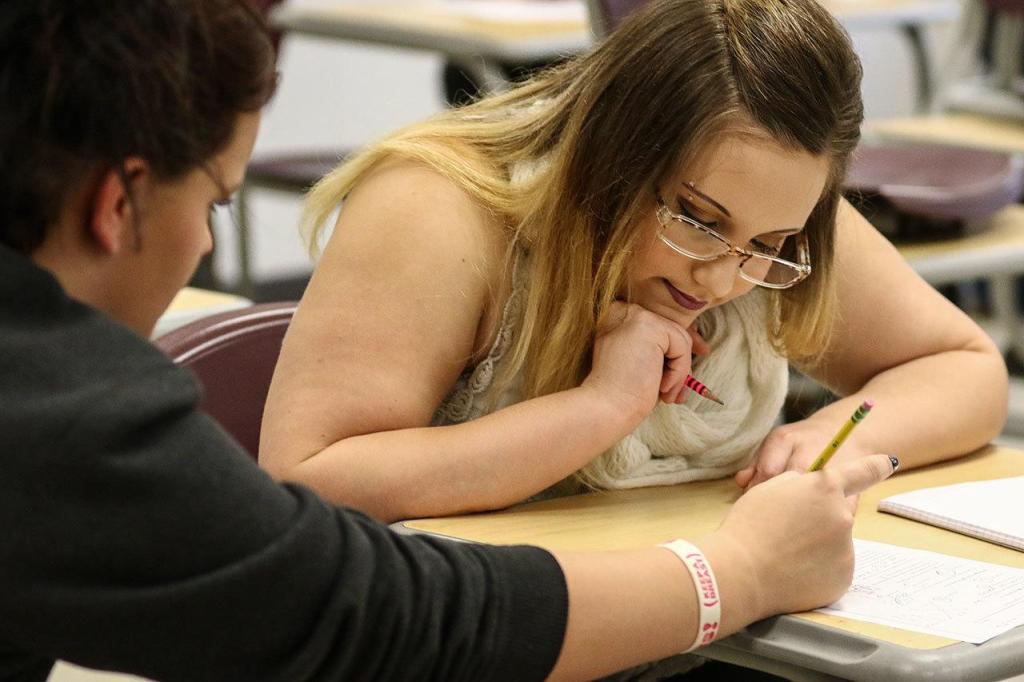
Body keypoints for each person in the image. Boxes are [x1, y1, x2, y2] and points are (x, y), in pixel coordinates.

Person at [0, 1, 900, 680]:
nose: (207, 246)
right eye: (216, 203)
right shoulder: (63, 422)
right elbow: (380, 609)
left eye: (767, 249)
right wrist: (734, 572)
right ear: (117, 204)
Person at [259, 0, 1007, 524]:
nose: (722, 278)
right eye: (696, 220)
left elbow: (964, 366)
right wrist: (597, 410)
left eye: (770, 246)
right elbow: (309, 483)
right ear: (613, 153)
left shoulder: (761, 201)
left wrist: (830, 434)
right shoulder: (440, 208)